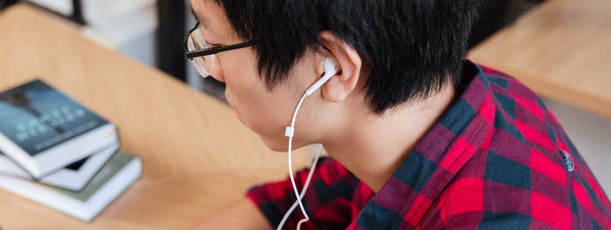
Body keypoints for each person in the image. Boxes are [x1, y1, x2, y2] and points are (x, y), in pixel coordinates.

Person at [185, 0, 611, 229]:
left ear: (331, 66)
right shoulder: (454, 103)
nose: (211, 67)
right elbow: (291, 202)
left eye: (216, 46)